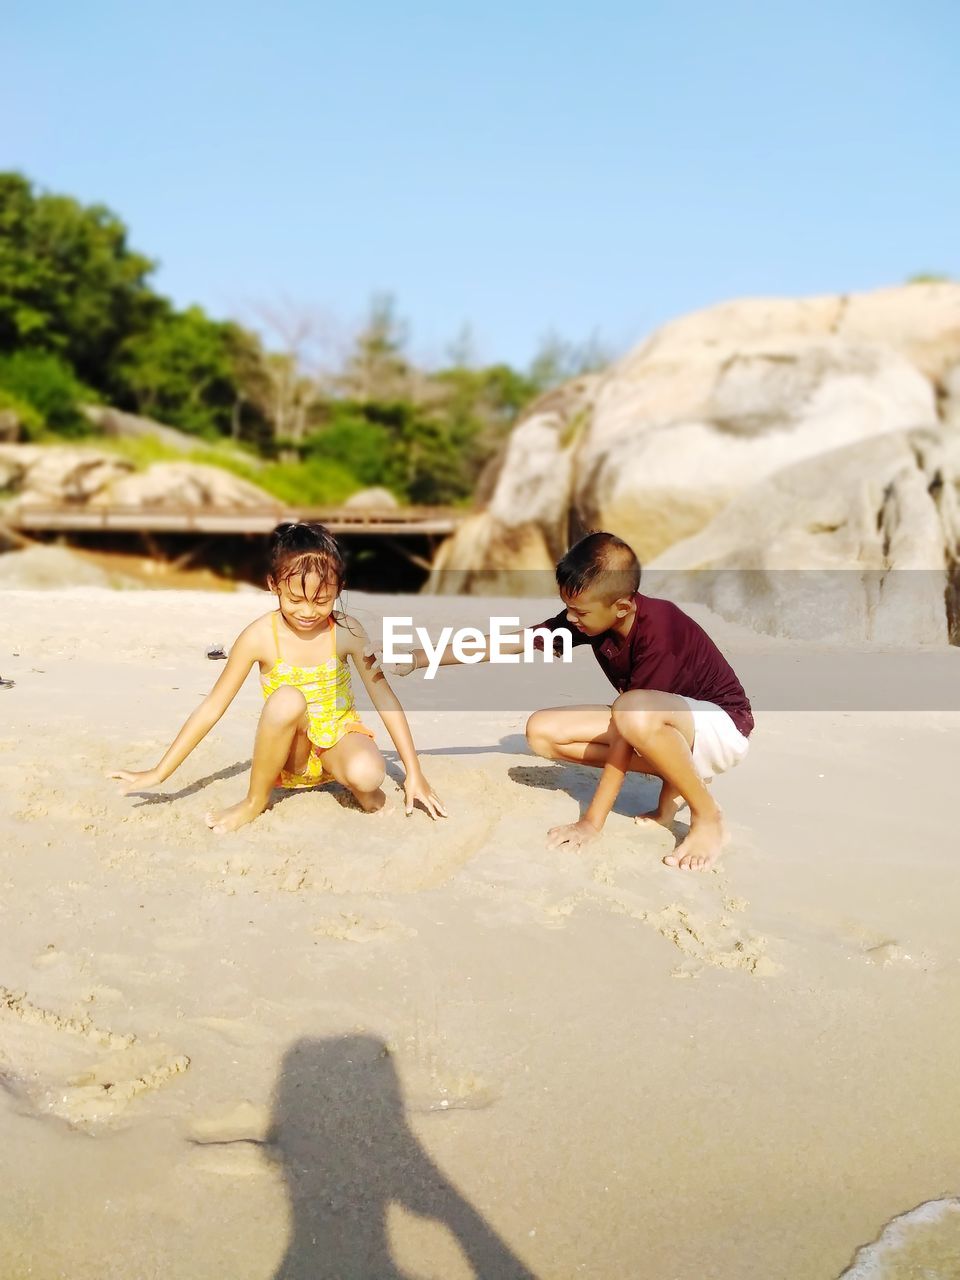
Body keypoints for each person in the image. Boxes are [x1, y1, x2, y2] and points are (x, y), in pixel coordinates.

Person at [388, 531, 752, 871]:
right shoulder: (594, 618)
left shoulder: (660, 628)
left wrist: (591, 823)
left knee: (631, 710)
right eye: (568, 608)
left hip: (721, 727)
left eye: (581, 612)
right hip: (664, 724)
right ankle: (684, 781)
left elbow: (631, 731)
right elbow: (515, 641)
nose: (572, 620)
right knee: (542, 732)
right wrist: (421, 658)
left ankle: (707, 816)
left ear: (622, 606)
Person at [108, 522, 445, 832]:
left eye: (322, 600)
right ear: (273, 585)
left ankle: (356, 787)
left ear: (339, 589)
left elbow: (383, 697)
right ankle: (255, 801)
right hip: (289, 754)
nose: (308, 612)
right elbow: (212, 707)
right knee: (287, 699)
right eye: (295, 599)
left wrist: (415, 773)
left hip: (336, 744)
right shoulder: (259, 637)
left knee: (370, 775)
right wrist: (159, 771)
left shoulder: (347, 632)